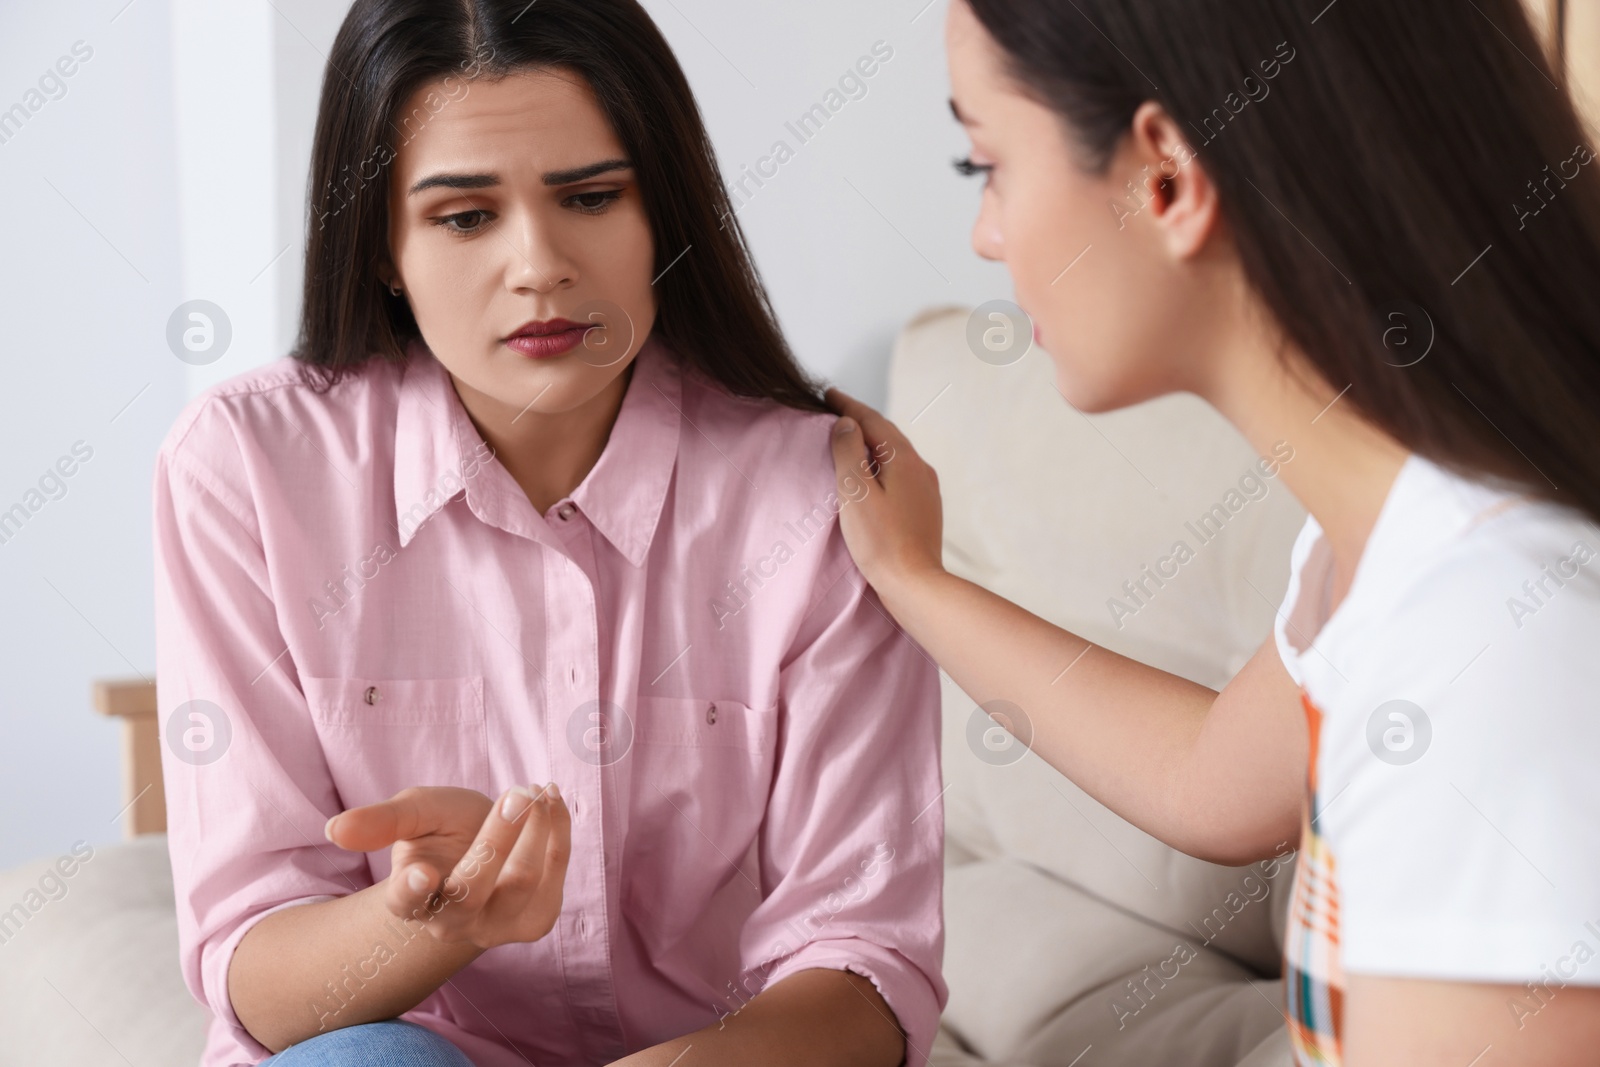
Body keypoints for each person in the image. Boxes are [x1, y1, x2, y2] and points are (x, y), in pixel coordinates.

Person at [152, 2, 944, 1065]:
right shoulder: (246, 468)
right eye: (464, 216)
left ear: (663, 211)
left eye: (589, 196)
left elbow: (865, 962)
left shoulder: (812, 489)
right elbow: (258, 979)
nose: (538, 264)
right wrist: (436, 915)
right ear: (382, 246)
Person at [826, 1, 1600, 1064]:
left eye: (984, 165)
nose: (985, 233)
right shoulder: (1388, 539)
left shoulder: (1486, 639)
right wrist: (910, 573)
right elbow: (1205, 779)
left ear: (1165, 178)